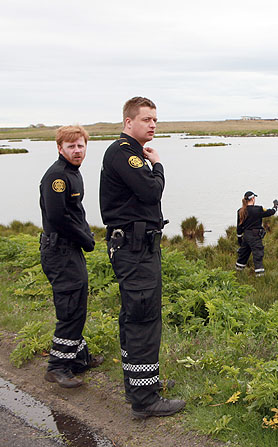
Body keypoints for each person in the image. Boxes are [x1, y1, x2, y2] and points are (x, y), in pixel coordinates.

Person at [99, 97, 185, 419]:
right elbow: (151, 192)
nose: (152, 125)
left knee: (138, 317)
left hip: (139, 248)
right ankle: (145, 400)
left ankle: (142, 385)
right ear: (128, 122)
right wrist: (158, 165)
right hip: (134, 251)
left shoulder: (131, 153)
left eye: (155, 120)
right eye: (146, 119)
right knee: (143, 318)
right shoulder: (123, 153)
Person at [39, 125, 104, 388]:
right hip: (59, 250)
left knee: (77, 303)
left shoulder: (73, 173)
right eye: (71, 146)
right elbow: (57, 217)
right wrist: (85, 239)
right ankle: (57, 367)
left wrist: (84, 235)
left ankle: (78, 358)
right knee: (69, 308)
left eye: (80, 145)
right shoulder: (57, 176)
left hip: (69, 249)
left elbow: (75, 212)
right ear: (59, 148)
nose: (77, 151)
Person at [236, 191, 278, 276]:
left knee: (243, 256)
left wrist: (240, 239)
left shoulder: (240, 211)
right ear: (253, 199)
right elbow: (270, 212)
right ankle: (260, 278)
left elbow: (239, 227)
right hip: (255, 237)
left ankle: (237, 275)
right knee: (258, 257)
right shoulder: (258, 209)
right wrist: (275, 206)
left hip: (246, 237)